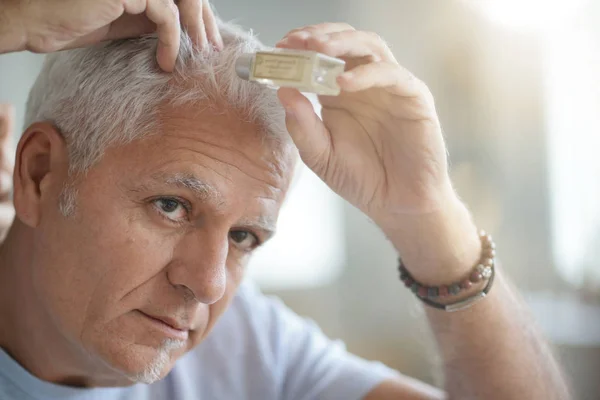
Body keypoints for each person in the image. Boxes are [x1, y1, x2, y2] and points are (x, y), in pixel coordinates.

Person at [0, 0, 571, 399]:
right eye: (172, 206)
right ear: (39, 174)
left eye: (243, 237)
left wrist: (431, 222)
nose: (208, 285)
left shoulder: (248, 346)